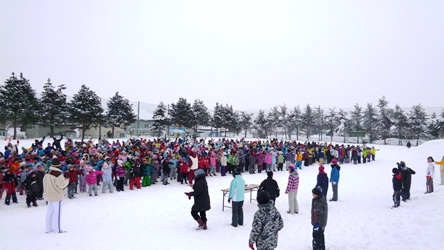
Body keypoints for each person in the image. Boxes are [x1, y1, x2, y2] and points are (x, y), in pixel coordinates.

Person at [43, 157, 69, 234]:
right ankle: (57, 229)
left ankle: (48, 228)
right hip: (56, 196)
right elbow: (61, 185)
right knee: (57, 214)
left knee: (50, 212)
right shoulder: (58, 174)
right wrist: (67, 181)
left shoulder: (47, 172)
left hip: (49, 195)